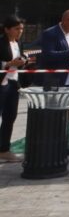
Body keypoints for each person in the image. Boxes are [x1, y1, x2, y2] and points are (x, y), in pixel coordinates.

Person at [1, 16, 28, 163]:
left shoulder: (18, 43)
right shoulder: (1, 43)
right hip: (2, 83)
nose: (20, 32)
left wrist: (24, 61)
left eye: (22, 29)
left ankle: (4, 149)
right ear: (7, 29)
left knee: (10, 117)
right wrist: (10, 63)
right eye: (17, 29)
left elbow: (18, 62)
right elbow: (6, 63)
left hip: (13, 83)